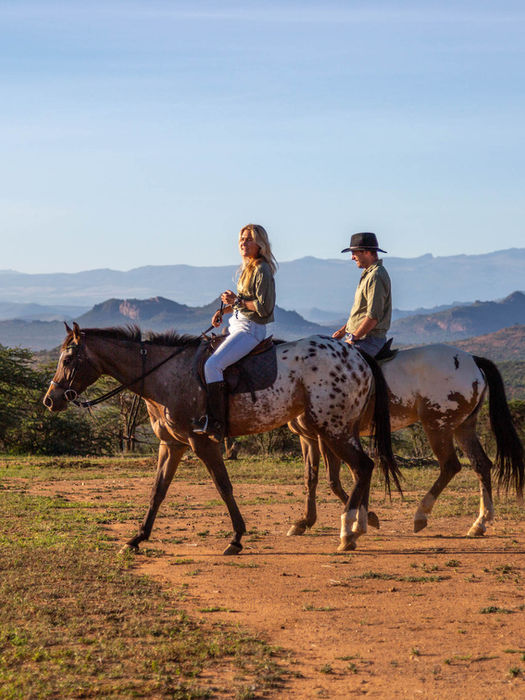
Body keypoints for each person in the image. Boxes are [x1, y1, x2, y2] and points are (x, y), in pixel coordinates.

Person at [192, 223, 277, 442]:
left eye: (249, 239)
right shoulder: (248, 268)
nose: (243, 243)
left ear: (260, 244)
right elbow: (244, 303)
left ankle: (217, 423)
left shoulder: (262, 269)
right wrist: (224, 310)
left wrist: (236, 301)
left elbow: (264, 308)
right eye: (241, 239)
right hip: (237, 325)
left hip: (251, 329)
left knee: (213, 365)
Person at [332, 232, 391, 357]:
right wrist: (343, 331)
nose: (352, 257)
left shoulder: (375, 276)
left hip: (368, 340)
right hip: (361, 338)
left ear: (367, 252)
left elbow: (373, 316)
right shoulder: (369, 275)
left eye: (354, 253)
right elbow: (361, 313)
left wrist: (353, 337)